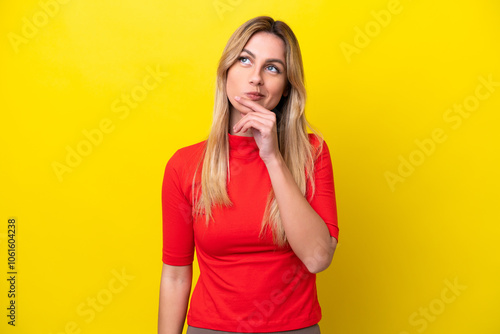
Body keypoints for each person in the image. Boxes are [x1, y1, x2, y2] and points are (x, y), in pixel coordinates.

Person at [158, 16, 339, 334]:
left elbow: (317, 257)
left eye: (273, 68)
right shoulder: (184, 165)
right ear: (226, 71)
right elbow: (175, 275)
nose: (256, 78)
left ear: (285, 89)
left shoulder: (312, 154)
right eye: (245, 60)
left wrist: (272, 157)